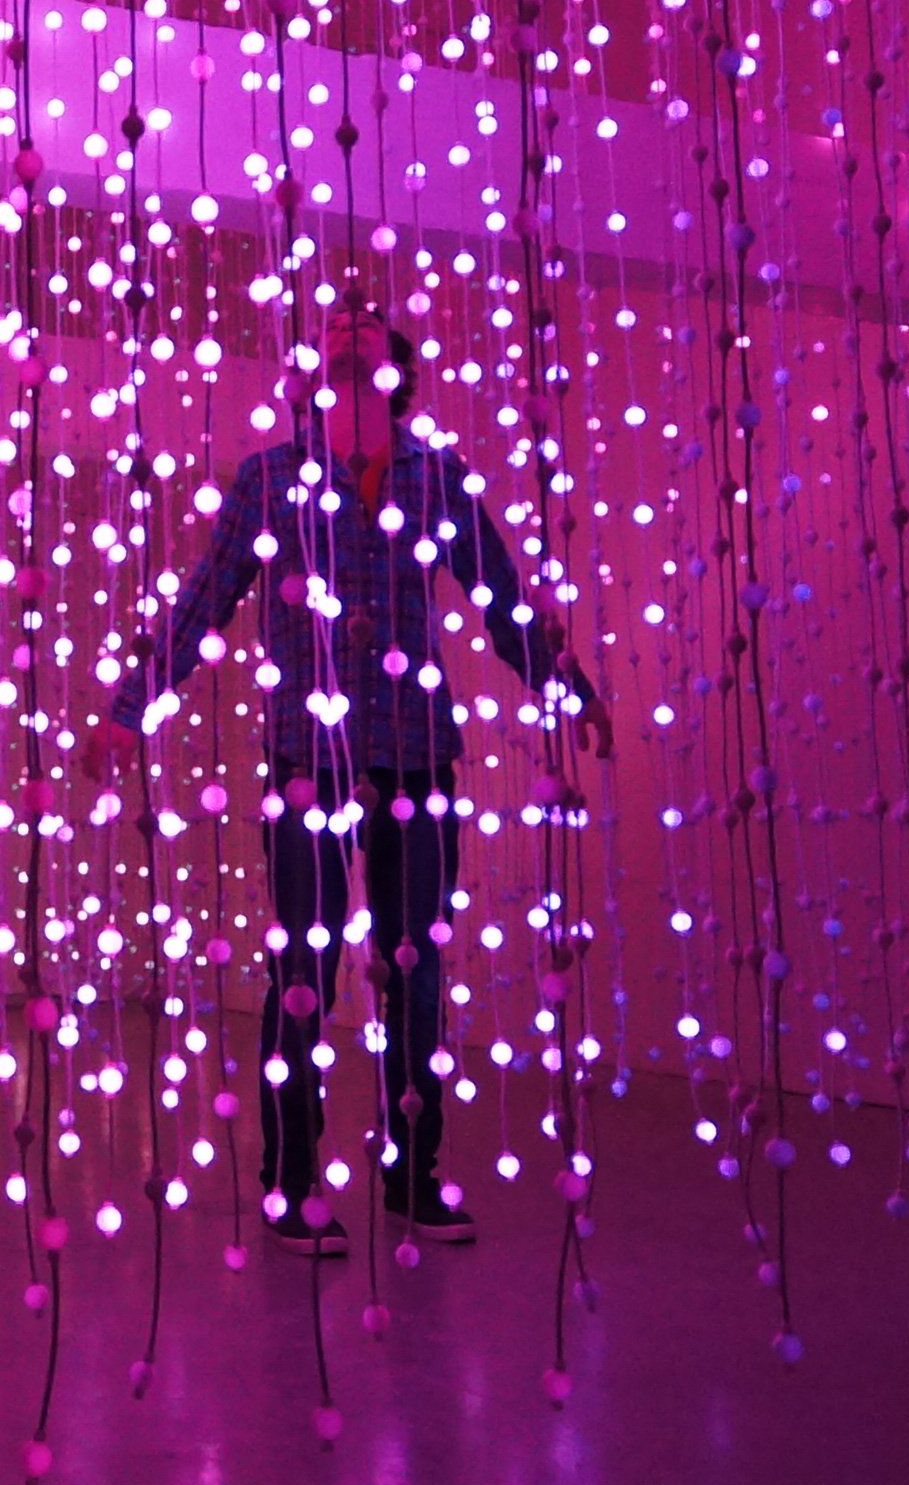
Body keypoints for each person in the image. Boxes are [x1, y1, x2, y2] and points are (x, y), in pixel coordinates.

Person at [81, 295, 612, 1255]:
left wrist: (568, 689)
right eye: (334, 323)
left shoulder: (438, 476)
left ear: (397, 366)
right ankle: (290, 1185)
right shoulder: (270, 478)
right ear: (310, 372)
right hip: (308, 761)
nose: (349, 321)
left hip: (419, 752)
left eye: (366, 321)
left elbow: (502, 599)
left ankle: (414, 1177)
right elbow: (204, 600)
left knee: (419, 972)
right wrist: (130, 708)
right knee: (304, 971)